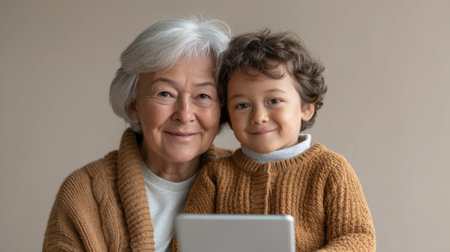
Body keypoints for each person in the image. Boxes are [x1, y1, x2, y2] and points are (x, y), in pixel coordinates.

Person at [43, 18, 231, 251]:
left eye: (203, 96)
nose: (184, 114)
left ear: (223, 107)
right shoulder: (84, 193)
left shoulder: (252, 178)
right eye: (165, 93)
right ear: (134, 104)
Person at [178, 30, 376, 251]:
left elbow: (359, 238)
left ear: (306, 107)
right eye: (242, 105)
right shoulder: (215, 176)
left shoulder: (330, 169)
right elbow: (186, 242)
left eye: (274, 100)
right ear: (228, 116)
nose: (258, 117)